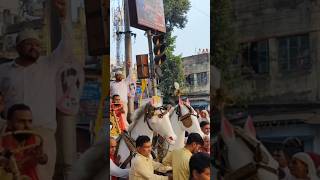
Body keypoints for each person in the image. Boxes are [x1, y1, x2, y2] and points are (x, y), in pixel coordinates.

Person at [0, 0, 74, 179]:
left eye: (37, 44)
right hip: (11, 135)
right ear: (18, 47)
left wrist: (64, 18)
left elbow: (68, 46)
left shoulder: (48, 65)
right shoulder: (4, 70)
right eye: (29, 44)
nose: (34, 47)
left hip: (42, 134)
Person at [0, 104, 48, 180]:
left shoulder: (31, 135)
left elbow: (41, 159)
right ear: (9, 124)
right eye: (21, 121)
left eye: (30, 121)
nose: (27, 125)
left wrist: (42, 157)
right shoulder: (3, 137)